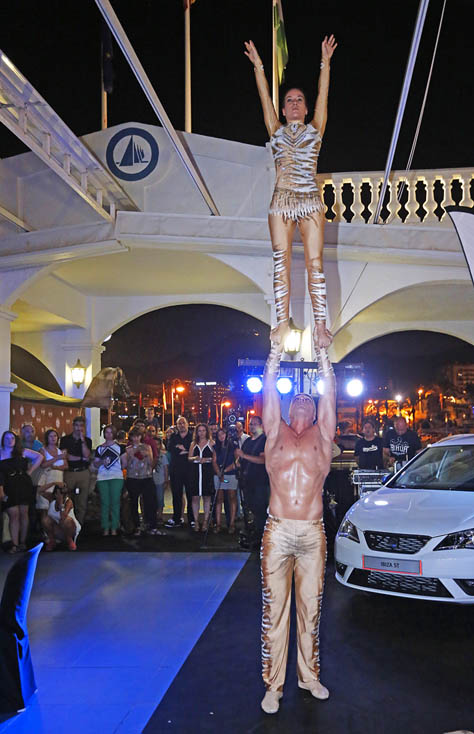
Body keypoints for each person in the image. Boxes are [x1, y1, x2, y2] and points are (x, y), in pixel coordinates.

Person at [258, 338, 336, 714]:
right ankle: (273, 686)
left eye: (310, 398)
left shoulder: (324, 437)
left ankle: (309, 676)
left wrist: (324, 355)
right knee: (275, 611)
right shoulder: (276, 433)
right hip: (278, 530)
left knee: (311, 609)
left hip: (311, 533)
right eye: (297, 399)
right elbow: (269, 390)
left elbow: (331, 395)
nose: (304, 400)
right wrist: (274, 355)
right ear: (288, 409)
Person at [244, 35, 337, 349]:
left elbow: (324, 93)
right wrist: (258, 66)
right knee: (281, 260)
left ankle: (320, 327)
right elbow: (262, 100)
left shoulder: (316, 129)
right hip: (282, 200)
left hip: (310, 200)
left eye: (300, 100)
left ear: (306, 108)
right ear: (283, 110)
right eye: (289, 101)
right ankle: (281, 324)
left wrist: (325, 62)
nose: (295, 103)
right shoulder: (276, 131)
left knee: (315, 264)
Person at [0, 430, 43, 554]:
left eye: (12, 438)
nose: (9, 440)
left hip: (23, 484)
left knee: (24, 513)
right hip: (8, 485)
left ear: (16, 440)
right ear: (3, 440)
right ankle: (14, 544)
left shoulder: (22, 451)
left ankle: (23, 543)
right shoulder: (1, 453)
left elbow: (40, 457)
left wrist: (30, 471)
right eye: (7, 438)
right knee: (14, 514)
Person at [235, 416, 269, 544]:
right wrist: (238, 460)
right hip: (247, 480)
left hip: (260, 481)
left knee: (260, 509)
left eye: (254, 424)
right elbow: (241, 458)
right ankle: (254, 533)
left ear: (261, 425)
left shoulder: (264, 440)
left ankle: (261, 536)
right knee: (251, 507)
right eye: (250, 424)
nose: (252, 426)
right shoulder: (248, 441)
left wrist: (244, 456)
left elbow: (263, 460)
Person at [122, 427, 161, 536]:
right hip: (133, 477)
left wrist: (147, 455)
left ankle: (151, 525)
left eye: (138, 436)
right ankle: (136, 526)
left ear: (141, 437)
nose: (136, 438)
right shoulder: (128, 448)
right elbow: (125, 464)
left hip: (146, 476)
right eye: (133, 436)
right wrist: (132, 453)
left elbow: (151, 461)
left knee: (150, 502)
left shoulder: (147, 447)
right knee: (133, 503)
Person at [60, 416, 92, 525]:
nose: (79, 428)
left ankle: (79, 526)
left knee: (82, 502)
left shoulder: (87, 440)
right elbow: (66, 456)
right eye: (77, 425)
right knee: (67, 499)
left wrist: (82, 441)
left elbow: (87, 455)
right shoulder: (65, 440)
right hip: (70, 473)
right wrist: (81, 458)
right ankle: (67, 525)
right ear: (73, 426)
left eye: (81, 426)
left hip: (83, 473)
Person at [94, 424, 125, 536]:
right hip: (102, 477)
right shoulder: (99, 448)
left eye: (110, 432)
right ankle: (105, 527)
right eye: (106, 432)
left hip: (116, 477)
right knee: (105, 503)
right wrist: (102, 462)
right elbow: (95, 464)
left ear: (114, 434)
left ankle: (114, 527)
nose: (108, 434)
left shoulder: (120, 447)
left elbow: (124, 462)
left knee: (115, 502)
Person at [165, 416, 193, 528]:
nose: (181, 425)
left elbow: (194, 449)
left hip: (190, 470)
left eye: (183, 423)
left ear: (187, 424)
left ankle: (192, 519)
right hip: (176, 470)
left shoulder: (192, 437)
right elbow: (170, 448)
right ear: (177, 425)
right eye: (179, 423)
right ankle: (176, 518)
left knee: (191, 495)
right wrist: (186, 450)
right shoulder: (173, 437)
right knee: (176, 495)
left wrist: (182, 448)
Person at [37, 429, 68, 526]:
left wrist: (55, 466)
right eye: (51, 436)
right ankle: (46, 532)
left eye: (55, 436)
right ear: (47, 438)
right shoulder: (43, 450)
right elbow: (43, 464)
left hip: (58, 478)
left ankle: (55, 532)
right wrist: (57, 458)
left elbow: (66, 466)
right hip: (47, 479)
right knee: (45, 507)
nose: (53, 438)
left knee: (56, 506)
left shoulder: (60, 451)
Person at [188, 424, 215, 532]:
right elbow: (189, 458)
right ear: (196, 432)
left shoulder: (211, 443)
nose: (202, 433)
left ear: (207, 431)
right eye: (199, 431)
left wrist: (206, 459)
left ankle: (205, 521)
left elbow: (215, 458)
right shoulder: (193, 444)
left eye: (203, 430)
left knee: (206, 497)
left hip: (207, 473)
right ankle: (196, 521)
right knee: (195, 497)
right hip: (195, 473)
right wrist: (195, 458)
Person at [212, 428, 238, 534]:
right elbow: (214, 461)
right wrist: (219, 473)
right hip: (219, 476)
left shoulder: (233, 446)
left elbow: (237, 460)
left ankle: (231, 523)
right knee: (219, 498)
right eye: (219, 435)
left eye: (223, 434)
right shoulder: (215, 447)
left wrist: (226, 470)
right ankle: (218, 523)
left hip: (230, 475)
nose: (221, 436)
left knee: (232, 497)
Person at [44, 484, 81, 551]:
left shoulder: (68, 502)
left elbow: (63, 517)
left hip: (71, 529)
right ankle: (52, 541)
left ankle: (70, 541)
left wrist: (61, 503)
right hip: (58, 529)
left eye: (61, 493)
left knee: (66, 520)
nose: (59, 495)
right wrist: (53, 483)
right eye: (57, 493)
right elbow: (40, 491)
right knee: (46, 519)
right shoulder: (51, 499)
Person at [153, 437, 169, 525]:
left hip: (160, 480)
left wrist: (166, 480)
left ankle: (160, 516)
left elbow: (166, 468)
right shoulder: (150, 454)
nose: (156, 446)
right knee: (153, 499)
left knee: (160, 499)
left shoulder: (163, 456)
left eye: (158, 444)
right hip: (152, 480)